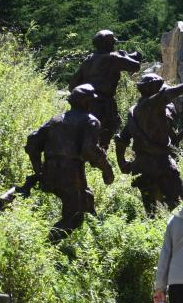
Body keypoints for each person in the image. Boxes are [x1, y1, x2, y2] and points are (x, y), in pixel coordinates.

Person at [19, 84, 115, 241]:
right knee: (73, 217)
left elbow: (32, 142)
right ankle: (46, 246)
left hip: (50, 170)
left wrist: (39, 168)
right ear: (87, 103)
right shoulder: (90, 121)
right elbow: (89, 150)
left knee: (86, 198)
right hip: (71, 175)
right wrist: (107, 169)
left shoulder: (55, 120)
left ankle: (96, 237)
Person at [115, 73, 183, 215]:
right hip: (162, 164)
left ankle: (158, 226)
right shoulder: (153, 103)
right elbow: (166, 95)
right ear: (153, 88)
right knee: (178, 204)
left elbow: (121, 140)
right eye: (159, 86)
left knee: (152, 211)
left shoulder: (135, 112)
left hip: (142, 164)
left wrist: (122, 163)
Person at [68, 30, 142, 149]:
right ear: (108, 44)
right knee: (105, 132)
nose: (114, 45)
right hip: (104, 104)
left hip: (85, 102)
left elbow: (72, 85)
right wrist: (125, 55)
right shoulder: (113, 58)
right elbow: (135, 66)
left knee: (86, 133)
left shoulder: (89, 59)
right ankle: (99, 154)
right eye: (112, 42)